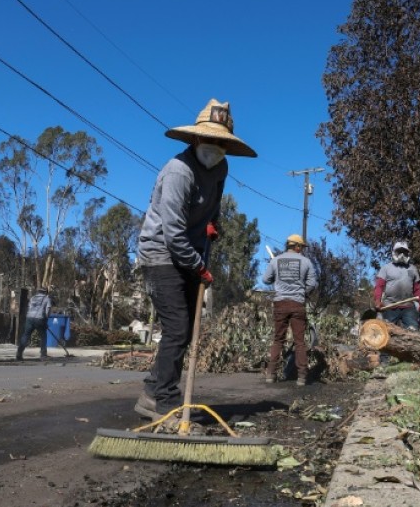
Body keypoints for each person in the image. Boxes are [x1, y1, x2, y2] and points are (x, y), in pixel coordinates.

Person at [133, 99, 257, 421]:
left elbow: (213, 206)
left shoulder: (221, 169)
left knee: (184, 331)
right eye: (209, 140)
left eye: (221, 143)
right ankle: (166, 403)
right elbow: (173, 233)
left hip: (187, 252)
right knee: (176, 329)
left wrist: (213, 223)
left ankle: (151, 392)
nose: (214, 148)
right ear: (195, 138)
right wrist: (199, 266)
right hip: (160, 253)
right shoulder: (178, 171)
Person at [261, 234, 317, 386]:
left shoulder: (276, 261)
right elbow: (312, 283)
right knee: (300, 342)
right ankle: (302, 377)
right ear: (297, 247)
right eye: (302, 247)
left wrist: (276, 278)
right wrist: (303, 292)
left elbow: (265, 280)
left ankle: (270, 374)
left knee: (278, 339)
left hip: (280, 304)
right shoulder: (306, 262)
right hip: (297, 303)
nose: (302, 250)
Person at [374, 241, 420, 331]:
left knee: (413, 331)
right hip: (390, 306)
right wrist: (377, 301)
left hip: (409, 307)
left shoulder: (413, 268)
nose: (402, 254)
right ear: (394, 252)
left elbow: (417, 288)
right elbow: (379, 286)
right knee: (387, 332)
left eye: (404, 252)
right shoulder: (386, 268)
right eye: (399, 251)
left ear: (408, 253)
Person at [17, 286, 52, 361]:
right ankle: (43, 355)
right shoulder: (47, 299)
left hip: (29, 318)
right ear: (45, 292)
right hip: (40, 318)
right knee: (43, 336)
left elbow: (29, 307)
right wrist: (46, 319)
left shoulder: (32, 298)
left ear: (38, 292)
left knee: (26, 335)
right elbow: (48, 310)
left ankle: (19, 353)